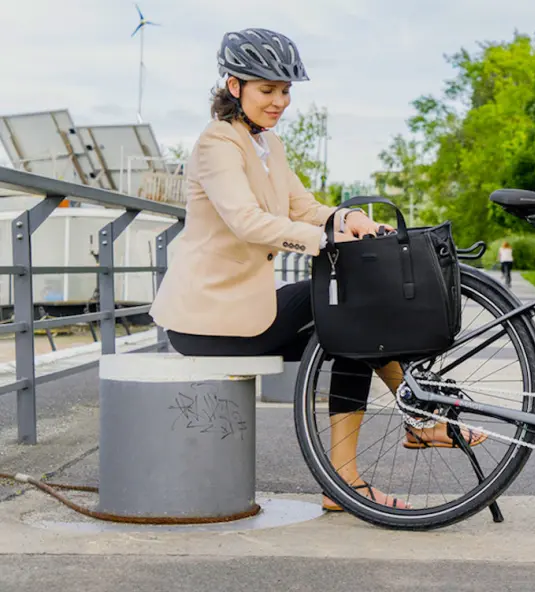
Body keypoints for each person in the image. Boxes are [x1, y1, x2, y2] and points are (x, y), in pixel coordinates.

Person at [148, 28, 484, 512]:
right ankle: (421, 420)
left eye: (286, 91)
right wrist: (324, 240)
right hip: (207, 320)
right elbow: (246, 221)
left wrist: (350, 219)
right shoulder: (217, 144)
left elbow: (302, 207)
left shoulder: (269, 144)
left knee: (357, 334)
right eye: (268, 89)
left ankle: (346, 482)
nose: (280, 102)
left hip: (241, 309)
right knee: (350, 309)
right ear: (234, 86)